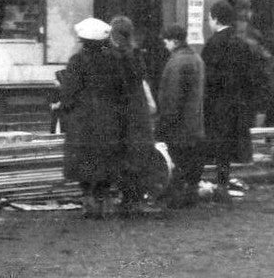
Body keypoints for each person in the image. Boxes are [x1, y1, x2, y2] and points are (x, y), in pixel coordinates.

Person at [59, 16, 126, 219]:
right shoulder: (113, 60)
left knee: (84, 161)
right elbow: (121, 90)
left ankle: (89, 201)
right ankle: (105, 200)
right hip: (109, 120)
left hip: (83, 121)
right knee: (106, 160)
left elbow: (68, 93)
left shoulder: (77, 61)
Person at [202, 1, 264, 203]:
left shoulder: (213, 44)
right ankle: (223, 182)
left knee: (218, 143)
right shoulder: (241, 44)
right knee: (228, 145)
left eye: (210, 18)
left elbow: (209, 79)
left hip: (218, 103)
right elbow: (251, 77)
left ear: (215, 19)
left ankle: (218, 185)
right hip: (237, 103)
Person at [108, 15, 161, 215]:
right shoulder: (136, 54)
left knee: (125, 156)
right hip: (139, 113)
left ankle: (128, 199)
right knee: (138, 156)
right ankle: (135, 198)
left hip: (124, 114)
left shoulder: (117, 57)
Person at [156, 24, 205, 208]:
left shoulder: (176, 62)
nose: (165, 45)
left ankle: (175, 198)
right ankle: (191, 195)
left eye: (166, 41)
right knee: (191, 163)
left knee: (177, 162)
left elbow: (172, 97)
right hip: (195, 123)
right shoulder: (196, 58)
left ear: (174, 41)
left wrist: (164, 123)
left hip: (179, 125)